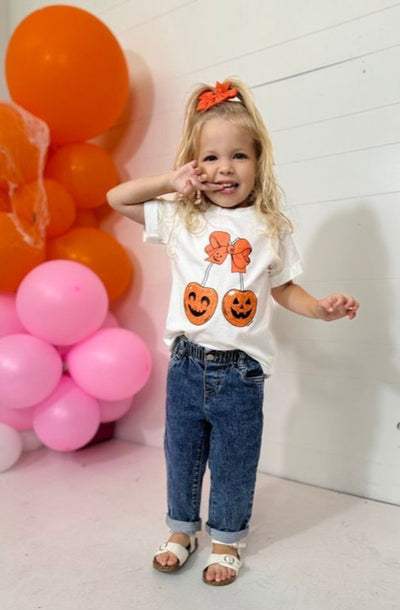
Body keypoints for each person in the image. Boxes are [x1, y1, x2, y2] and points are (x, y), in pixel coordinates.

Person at [107, 78, 359, 586]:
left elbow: (285, 288)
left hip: (242, 373)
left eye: (239, 156)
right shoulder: (183, 218)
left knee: (234, 461)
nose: (225, 168)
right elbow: (116, 197)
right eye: (212, 158)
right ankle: (182, 530)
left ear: (258, 162)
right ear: (195, 166)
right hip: (187, 362)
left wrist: (320, 309)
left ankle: (226, 539)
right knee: (181, 454)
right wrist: (169, 182)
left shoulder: (271, 226)